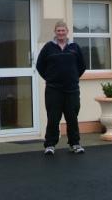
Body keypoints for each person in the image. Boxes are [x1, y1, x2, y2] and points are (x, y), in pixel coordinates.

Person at [36, 21, 86, 155]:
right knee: (53, 118)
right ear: (55, 32)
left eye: (63, 30)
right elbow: (40, 66)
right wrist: (50, 78)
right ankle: (50, 145)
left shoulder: (74, 47)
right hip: (54, 90)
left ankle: (74, 144)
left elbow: (82, 66)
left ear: (67, 32)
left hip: (72, 89)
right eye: (58, 30)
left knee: (72, 117)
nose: (61, 33)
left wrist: (73, 77)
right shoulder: (48, 47)